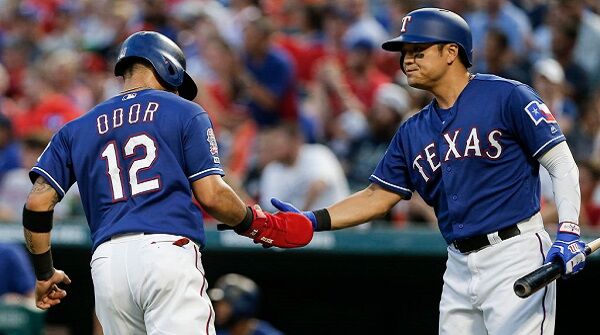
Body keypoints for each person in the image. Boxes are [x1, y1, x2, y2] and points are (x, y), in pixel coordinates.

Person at [271, 8, 587, 334]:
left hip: (514, 254)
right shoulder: (412, 131)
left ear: (451, 52)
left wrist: (568, 229)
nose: (407, 60)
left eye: (418, 51)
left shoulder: (507, 96)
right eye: (404, 53)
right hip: (458, 265)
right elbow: (377, 196)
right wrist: (313, 220)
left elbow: (561, 162)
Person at [20, 30, 313, 335]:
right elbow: (211, 195)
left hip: (107, 265)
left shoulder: (75, 127)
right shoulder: (185, 111)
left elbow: (36, 203)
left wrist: (44, 273)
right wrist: (257, 223)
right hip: (166, 252)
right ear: (168, 67)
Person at [208, 273, 283, 335]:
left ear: (242, 306)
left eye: (224, 304)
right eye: (219, 304)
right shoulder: (215, 332)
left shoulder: (268, 333)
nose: (218, 309)